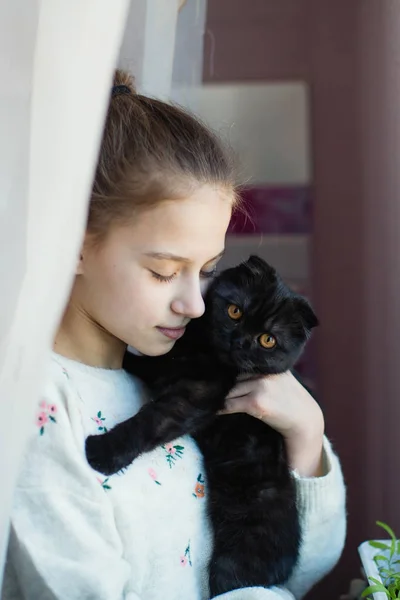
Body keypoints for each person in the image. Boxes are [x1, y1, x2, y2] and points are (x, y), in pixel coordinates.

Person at [1, 70, 346, 600]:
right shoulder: (33, 405)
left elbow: (287, 574)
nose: (195, 303)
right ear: (70, 242)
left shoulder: (169, 373)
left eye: (207, 269)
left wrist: (305, 436)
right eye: (164, 271)